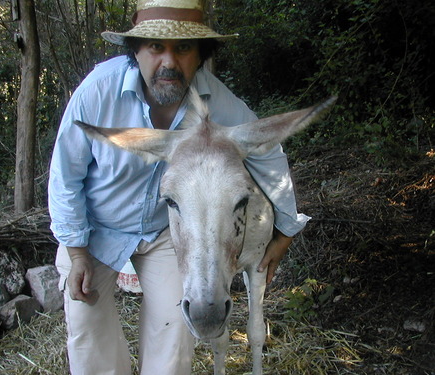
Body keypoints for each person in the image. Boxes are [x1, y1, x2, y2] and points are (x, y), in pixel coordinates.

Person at [48, 0, 310, 374]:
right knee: (89, 337)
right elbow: (65, 175)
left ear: (200, 56)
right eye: (156, 47)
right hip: (95, 231)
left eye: (183, 48)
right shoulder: (97, 93)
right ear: (135, 51)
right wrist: (75, 253)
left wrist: (286, 230)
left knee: (173, 340)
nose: (168, 62)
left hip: (167, 234)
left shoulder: (218, 102)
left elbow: (269, 157)